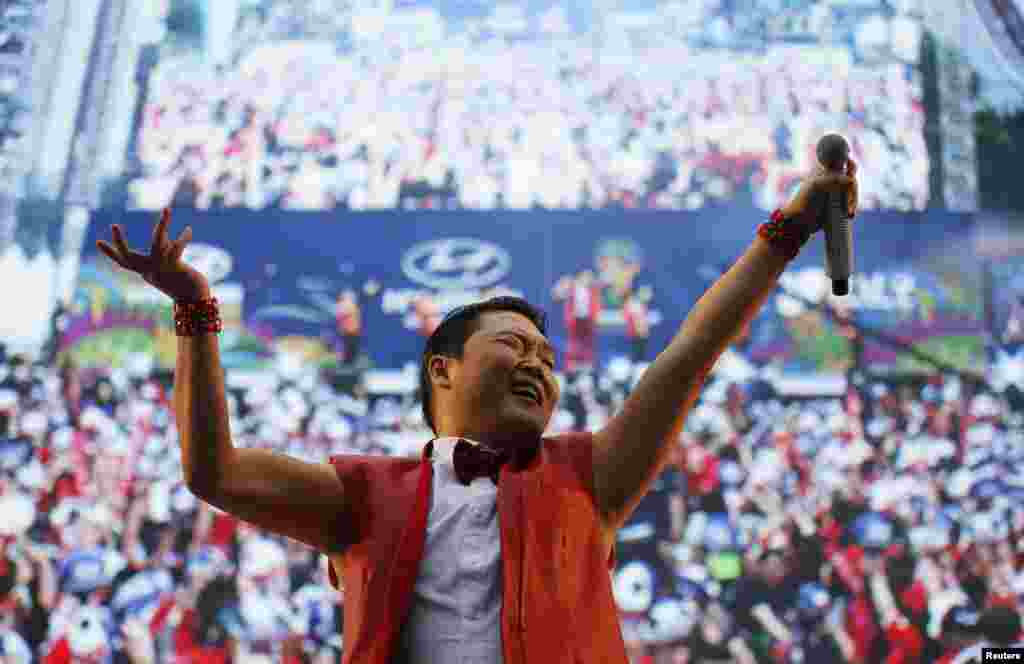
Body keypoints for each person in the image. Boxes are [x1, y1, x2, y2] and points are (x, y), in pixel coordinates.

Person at [96, 156, 858, 663]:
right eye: (515, 345)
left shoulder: (592, 476)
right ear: (443, 369)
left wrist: (792, 223)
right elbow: (214, 472)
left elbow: (691, 351)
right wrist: (196, 311)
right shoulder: (363, 493)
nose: (538, 363)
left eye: (548, 359)